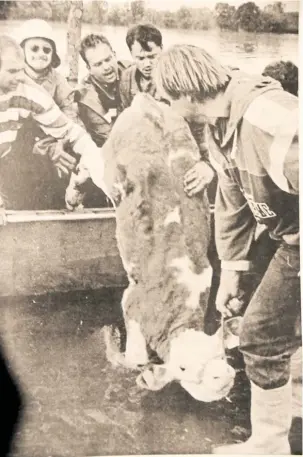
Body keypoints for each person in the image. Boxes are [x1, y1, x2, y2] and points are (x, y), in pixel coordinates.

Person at [154, 44, 300, 455]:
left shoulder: (267, 116)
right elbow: (234, 202)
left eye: (169, 99)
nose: (172, 110)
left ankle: (269, 447)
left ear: (184, 92)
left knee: (260, 334)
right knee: (268, 319)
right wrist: (232, 273)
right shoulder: (219, 127)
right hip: (285, 234)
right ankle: (296, 408)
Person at [0, 34, 108, 218]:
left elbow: (73, 133)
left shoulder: (27, 91)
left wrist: (98, 167)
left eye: (21, 70)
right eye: (12, 71)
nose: (19, 77)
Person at [0, 19, 79, 210]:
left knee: (63, 163)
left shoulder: (60, 83)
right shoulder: (13, 80)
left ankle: (64, 202)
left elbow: (70, 117)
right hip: (19, 142)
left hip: (52, 138)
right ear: (21, 52)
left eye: (46, 50)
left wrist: (59, 143)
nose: (40, 54)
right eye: (34, 49)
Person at [75, 33, 131, 207]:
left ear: (114, 54)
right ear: (88, 68)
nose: (106, 67)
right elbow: (109, 139)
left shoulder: (131, 71)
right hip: (107, 150)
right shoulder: (86, 96)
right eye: (98, 64)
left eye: (108, 59)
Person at [119, 23, 163, 109]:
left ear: (161, 48)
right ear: (131, 54)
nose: (147, 64)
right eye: (141, 58)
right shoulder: (126, 77)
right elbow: (125, 112)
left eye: (152, 57)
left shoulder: (173, 78)